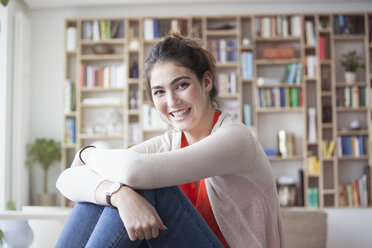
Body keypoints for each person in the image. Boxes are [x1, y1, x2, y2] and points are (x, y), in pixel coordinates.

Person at [56, 32, 284, 248]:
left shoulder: (236, 138)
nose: (172, 101)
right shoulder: (170, 142)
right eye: (159, 92)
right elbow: (65, 181)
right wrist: (116, 194)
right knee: (106, 192)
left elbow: (135, 171)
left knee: (146, 186)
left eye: (181, 85)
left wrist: (85, 154)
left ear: (206, 82)